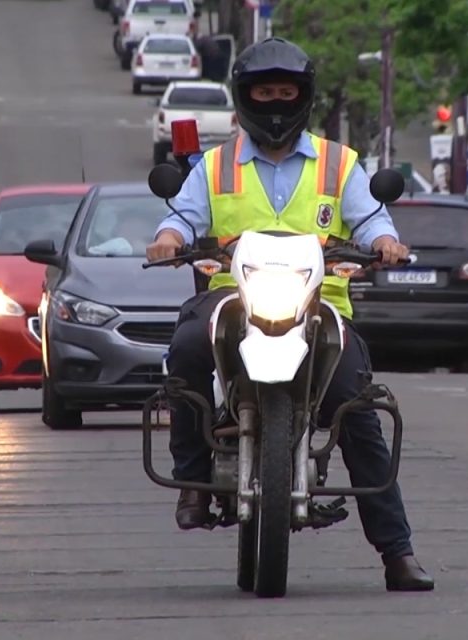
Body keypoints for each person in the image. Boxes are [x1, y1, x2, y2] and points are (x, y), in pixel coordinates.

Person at [145, 37, 434, 592]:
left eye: (285, 91)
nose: (275, 101)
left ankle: (397, 552)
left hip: (320, 304)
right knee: (183, 350)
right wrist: (166, 238)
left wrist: (386, 243)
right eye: (264, 91)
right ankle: (193, 481)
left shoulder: (339, 162)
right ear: (246, 96)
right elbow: (182, 216)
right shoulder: (214, 164)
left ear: (302, 96)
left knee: (356, 405)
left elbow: (371, 219)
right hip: (230, 295)